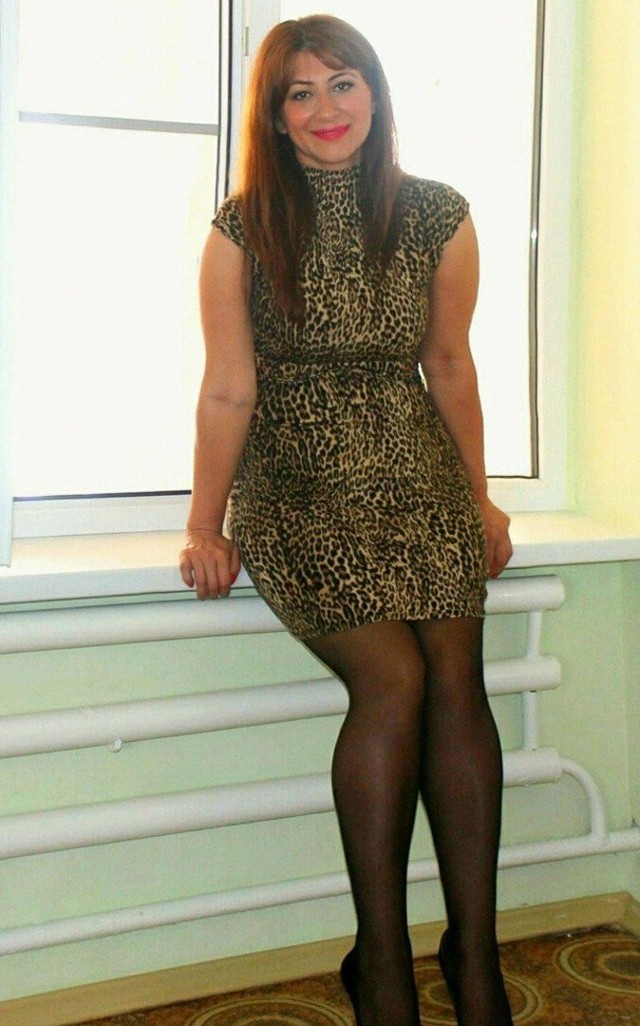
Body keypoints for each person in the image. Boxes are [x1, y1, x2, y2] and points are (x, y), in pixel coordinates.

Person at [179, 14, 514, 1026]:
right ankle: (382, 961)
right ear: (275, 118)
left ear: (374, 92)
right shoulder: (243, 228)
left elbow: (447, 364)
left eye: (343, 83)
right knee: (395, 677)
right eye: (300, 92)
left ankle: (476, 956)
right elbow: (228, 389)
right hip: (299, 482)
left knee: (457, 676)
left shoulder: (438, 213)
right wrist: (206, 525)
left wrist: (478, 495)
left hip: (418, 474)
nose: (326, 108)